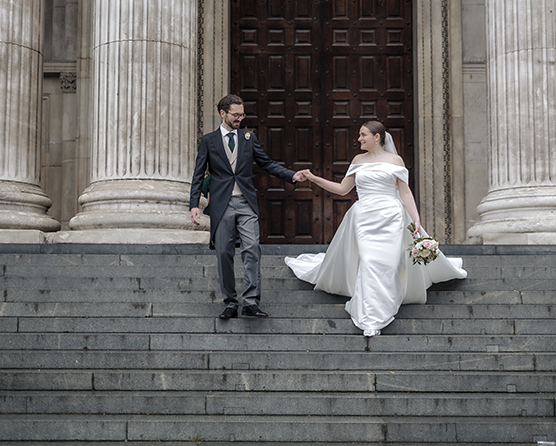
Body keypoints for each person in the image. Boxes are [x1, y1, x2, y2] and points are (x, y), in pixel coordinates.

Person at [285, 120, 466, 336]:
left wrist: (416, 219)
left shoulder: (395, 160)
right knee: (370, 262)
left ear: (377, 137)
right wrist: (314, 179)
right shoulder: (358, 160)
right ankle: (371, 318)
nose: (359, 139)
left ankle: (383, 308)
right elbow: (343, 189)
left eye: (363, 135)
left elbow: (404, 192)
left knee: (388, 265)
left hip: (391, 216)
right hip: (364, 218)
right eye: (360, 135)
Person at [190, 94, 306, 319]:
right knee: (224, 253)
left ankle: (251, 302)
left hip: (246, 203)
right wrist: (194, 204)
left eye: (242, 114)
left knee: (252, 248)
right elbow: (198, 175)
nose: (240, 118)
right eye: (235, 114)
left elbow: (266, 163)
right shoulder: (208, 140)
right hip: (221, 205)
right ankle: (230, 302)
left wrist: (292, 175)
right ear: (222, 113)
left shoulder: (248, 136)